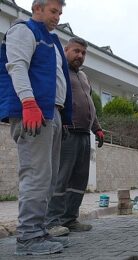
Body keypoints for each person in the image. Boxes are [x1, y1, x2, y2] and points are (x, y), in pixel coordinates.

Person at [0, 0, 72, 255]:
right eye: (54, 11)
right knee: (36, 175)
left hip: (50, 113)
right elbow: (17, 66)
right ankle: (28, 237)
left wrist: (65, 116)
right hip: (34, 113)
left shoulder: (51, 41)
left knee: (47, 178)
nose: (58, 17)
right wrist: (29, 103)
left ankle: (38, 230)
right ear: (37, 8)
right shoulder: (24, 31)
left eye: (60, 13)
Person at [46, 37, 104, 236]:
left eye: (83, 53)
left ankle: (70, 219)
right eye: (76, 51)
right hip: (66, 131)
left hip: (84, 134)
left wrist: (97, 128)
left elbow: (90, 104)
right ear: (66, 50)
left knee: (79, 180)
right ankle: (52, 222)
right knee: (61, 178)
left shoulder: (84, 77)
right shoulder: (58, 71)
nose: (80, 55)